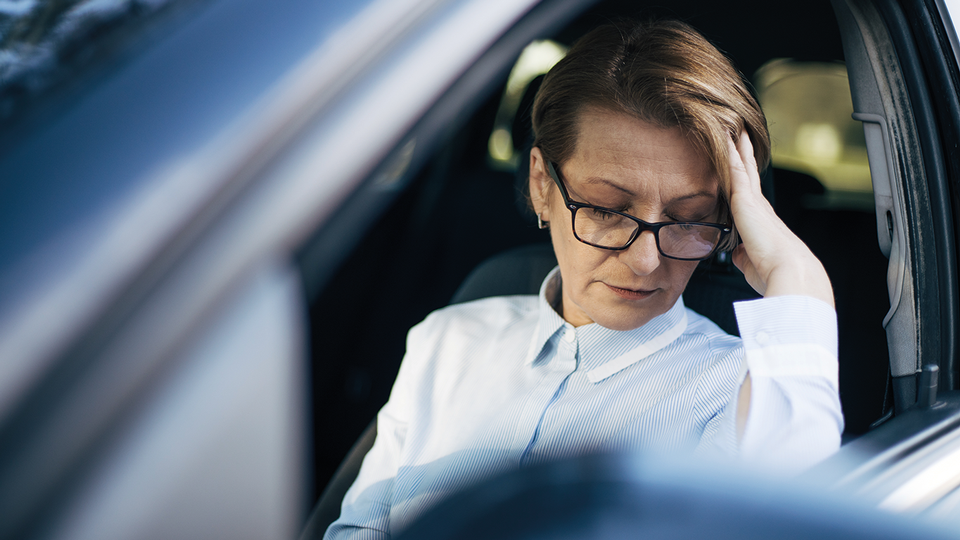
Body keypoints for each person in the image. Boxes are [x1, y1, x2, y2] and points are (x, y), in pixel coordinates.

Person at [325, 18, 842, 540]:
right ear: (542, 186)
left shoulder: (742, 390)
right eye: (607, 209)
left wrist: (794, 273)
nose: (645, 261)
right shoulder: (446, 339)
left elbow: (788, 518)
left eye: (688, 219)